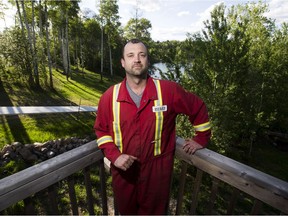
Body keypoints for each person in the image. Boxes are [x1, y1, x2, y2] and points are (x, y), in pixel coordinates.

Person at [94, 38, 211, 215]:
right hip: (124, 173)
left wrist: (201, 138)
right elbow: (101, 131)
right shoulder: (109, 97)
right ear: (123, 62)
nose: (137, 59)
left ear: (148, 60)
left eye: (142, 55)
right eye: (131, 55)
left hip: (158, 174)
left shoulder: (168, 91)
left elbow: (198, 107)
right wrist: (114, 156)